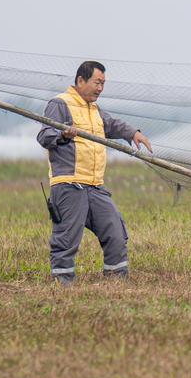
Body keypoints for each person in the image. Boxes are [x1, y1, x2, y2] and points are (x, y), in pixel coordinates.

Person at [36, 60, 153, 284]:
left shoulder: (94, 110)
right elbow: (44, 136)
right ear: (81, 80)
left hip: (96, 186)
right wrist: (63, 135)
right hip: (69, 185)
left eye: (103, 84)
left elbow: (112, 125)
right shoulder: (60, 104)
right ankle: (62, 287)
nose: (100, 88)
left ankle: (116, 283)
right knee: (66, 238)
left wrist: (133, 133)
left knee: (115, 232)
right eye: (96, 82)